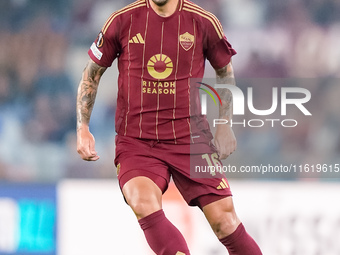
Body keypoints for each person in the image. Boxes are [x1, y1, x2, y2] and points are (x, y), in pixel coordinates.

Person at [76, 0, 262, 254]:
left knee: (224, 221)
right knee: (142, 201)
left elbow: (224, 70)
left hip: (190, 138)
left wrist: (224, 124)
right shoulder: (121, 21)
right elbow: (91, 74)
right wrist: (82, 128)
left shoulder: (203, 22)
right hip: (137, 142)